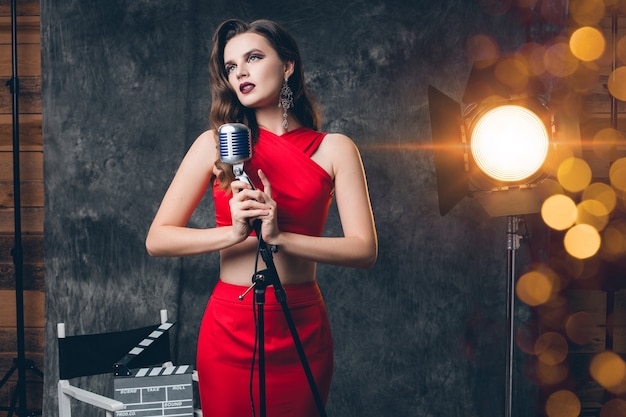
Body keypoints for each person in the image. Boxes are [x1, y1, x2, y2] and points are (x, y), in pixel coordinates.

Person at [146, 18, 378, 417]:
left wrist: (280, 236)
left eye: (253, 58)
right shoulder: (215, 144)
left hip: (300, 326)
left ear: (288, 66)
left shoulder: (336, 149)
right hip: (229, 329)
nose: (242, 72)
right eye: (231, 66)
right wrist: (232, 234)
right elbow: (157, 240)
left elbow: (364, 250)